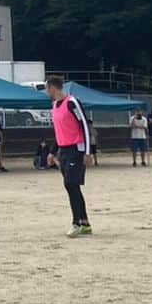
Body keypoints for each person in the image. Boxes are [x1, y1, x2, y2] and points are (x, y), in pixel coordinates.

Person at [47, 75, 93, 237]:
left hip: (77, 149)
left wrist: (88, 152)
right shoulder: (54, 106)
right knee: (72, 186)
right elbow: (58, 131)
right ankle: (85, 221)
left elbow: (85, 126)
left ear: (53, 87)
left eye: (47, 88)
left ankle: (76, 222)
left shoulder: (72, 102)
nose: (47, 92)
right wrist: (52, 151)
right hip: (64, 150)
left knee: (70, 184)